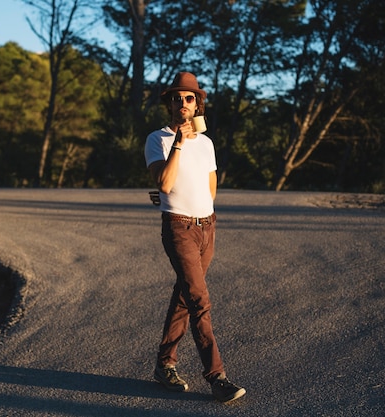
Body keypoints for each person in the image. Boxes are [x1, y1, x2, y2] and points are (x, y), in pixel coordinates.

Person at [144, 72, 246, 403]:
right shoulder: (157, 139)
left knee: (185, 297)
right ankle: (217, 377)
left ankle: (164, 366)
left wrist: (204, 212)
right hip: (178, 227)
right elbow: (165, 183)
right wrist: (179, 143)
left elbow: (210, 187)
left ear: (197, 104)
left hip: (207, 226)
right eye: (177, 97)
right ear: (169, 103)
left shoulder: (207, 143)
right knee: (199, 299)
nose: (183, 103)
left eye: (190, 98)